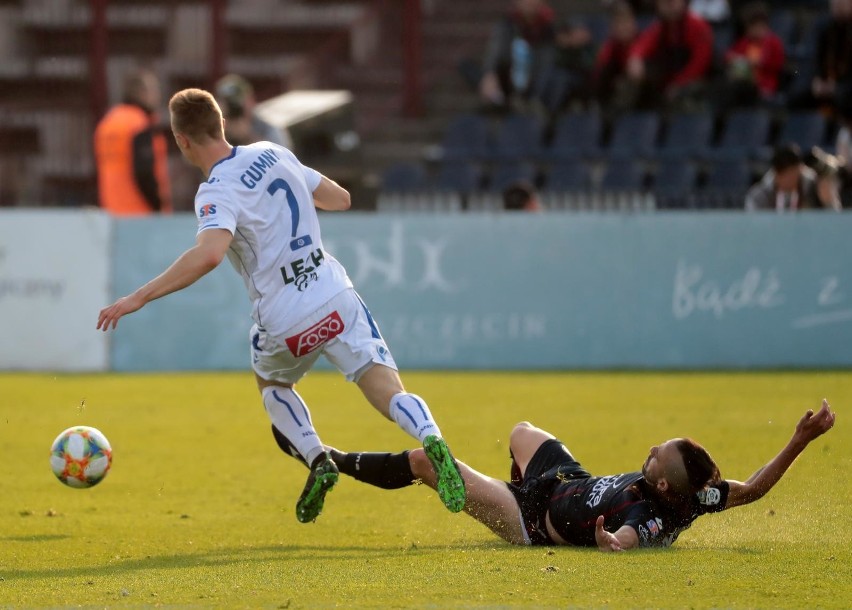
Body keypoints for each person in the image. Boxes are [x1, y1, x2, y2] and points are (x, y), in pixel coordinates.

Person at [95, 88, 466, 523]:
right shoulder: (274, 152)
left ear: (182, 141)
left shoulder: (215, 191)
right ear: (222, 123)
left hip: (286, 318)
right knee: (387, 390)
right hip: (334, 295)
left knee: (272, 385)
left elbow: (211, 253)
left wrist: (139, 296)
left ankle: (317, 458)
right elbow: (340, 198)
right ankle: (432, 436)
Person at [275, 399, 835, 550]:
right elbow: (755, 489)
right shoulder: (702, 493)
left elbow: (630, 537)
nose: (648, 450)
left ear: (663, 487)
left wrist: (608, 542)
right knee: (521, 431)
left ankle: (327, 457)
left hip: (533, 518)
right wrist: (800, 439)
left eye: (653, 456)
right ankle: (502, 483)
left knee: (426, 462)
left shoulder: (649, 514)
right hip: (565, 479)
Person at [93, 67, 172, 216]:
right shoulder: (138, 123)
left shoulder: (108, 122)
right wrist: (158, 206)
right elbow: (144, 171)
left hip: (113, 211)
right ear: (142, 94)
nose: (158, 96)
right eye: (154, 91)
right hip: (141, 213)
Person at [626, 0, 714, 111]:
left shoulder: (698, 26)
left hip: (696, 82)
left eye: (672, 1)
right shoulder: (662, 27)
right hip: (670, 83)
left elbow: (700, 63)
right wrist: (635, 58)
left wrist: (678, 84)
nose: (668, 5)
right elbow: (643, 44)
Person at [477, 0, 557, 109]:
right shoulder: (507, 26)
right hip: (510, 78)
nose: (529, 3)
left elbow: (547, 60)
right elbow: (496, 52)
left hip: (537, 81)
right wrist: (490, 73)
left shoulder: (549, 29)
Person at [721, 2, 786, 108]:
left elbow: (778, 65)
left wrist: (758, 63)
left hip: (764, 86)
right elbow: (728, 55)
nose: (750, 31)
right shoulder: (745, 42)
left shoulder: (774, 43)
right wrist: (734, 59)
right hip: (744, 84)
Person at [745, 143, 842, 212]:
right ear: (777, 175)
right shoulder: (759, 196)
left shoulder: (813, 189)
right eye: (790, 176)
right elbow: (753, 228)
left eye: (797, 175)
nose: (795, 180)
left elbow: (835, 224)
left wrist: (828, 203)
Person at [215, 74, 293, 149]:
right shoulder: (215, 129)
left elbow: (281, 158)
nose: (234, 110)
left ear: (251, 100)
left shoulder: (268, 128)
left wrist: (248, 137)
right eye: (230, 106)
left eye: (237, 105)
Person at [593, 1, 640, 112]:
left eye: (626, 23)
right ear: (612, 28)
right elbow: (599, 72)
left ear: (633, 24)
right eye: (618, 24)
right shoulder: (611, 46)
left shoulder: (643, 42)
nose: (623, 28)